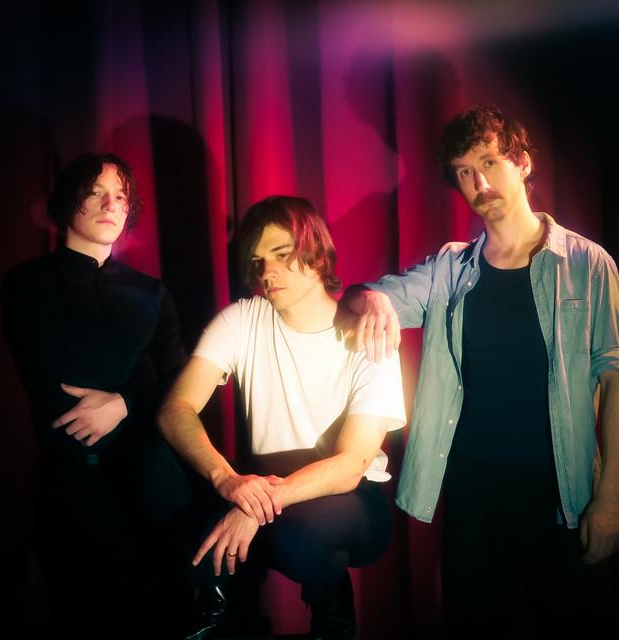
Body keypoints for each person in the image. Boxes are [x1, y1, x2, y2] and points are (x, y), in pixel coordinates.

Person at [342, 105, 619, 638]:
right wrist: (372, 299)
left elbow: (615, 379)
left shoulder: (588, 263)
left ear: (523, 163)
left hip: (557, 489)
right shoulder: (450, 267)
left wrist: (611, 499)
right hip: (470, 486)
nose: (480, 182)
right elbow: (365, 296)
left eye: (490, 162)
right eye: (465, 171)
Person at [154, 195, 406, 640]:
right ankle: (215, 611)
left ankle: (332, 615)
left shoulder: (369, 334)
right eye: (258, 261)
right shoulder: (241, 320)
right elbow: (176, 410)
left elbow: (351, 465)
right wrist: (227, 481)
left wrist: (256, 509)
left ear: (317, 254)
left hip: (349, 494)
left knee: (299, 537)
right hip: (261, 481)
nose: (266, 272)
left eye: (281, 254)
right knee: (180, 513)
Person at [1, 153, 187, 638]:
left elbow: (183, 386)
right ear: (69, 200)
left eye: (120, 196)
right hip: (74, 488)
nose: (110, 205)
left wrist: (124, 403)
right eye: (96, 192)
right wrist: (135, 395)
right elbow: (55, 385)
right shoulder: (27, 284)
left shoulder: (152, 293)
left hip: (154, 488)